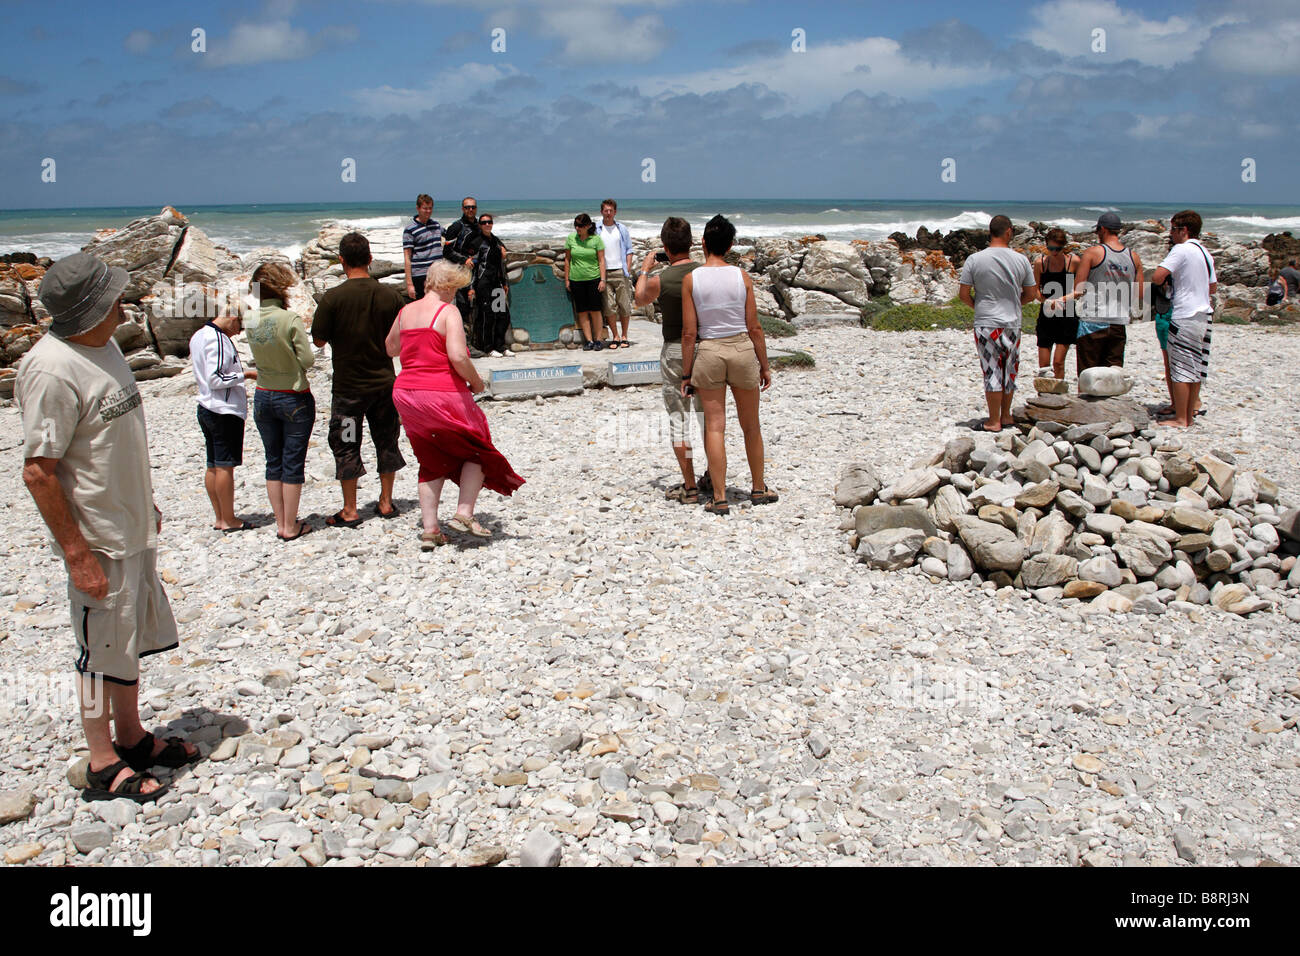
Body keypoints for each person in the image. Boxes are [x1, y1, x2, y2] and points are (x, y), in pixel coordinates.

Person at [17, 252, 198, 803]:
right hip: (97, 536)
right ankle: (102, 761)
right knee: (99, 651)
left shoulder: (108, 345)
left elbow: (114, 442)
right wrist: (76, 554)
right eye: (112, 295)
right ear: (90, 307)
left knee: (127, 640)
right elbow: (38, 470)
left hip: (132, 525)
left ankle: (133, 737)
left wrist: (147, 502)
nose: (123, 301)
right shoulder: (51, 369)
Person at [386, 260, 524, 548]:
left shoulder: (405, 312)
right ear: (447, 286)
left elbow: (390, 348)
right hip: (441, 392)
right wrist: (476, 383)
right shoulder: (447, 311)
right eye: (456, 289)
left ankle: (430, 530)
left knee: (430, 457)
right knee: (477, 447)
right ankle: (463, 513)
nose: (456, 295)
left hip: (407, 394)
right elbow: (459, 357)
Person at [680, 214, 774, 515]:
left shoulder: (691, 279)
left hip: (709, 352)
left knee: (716, 428)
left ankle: (719, 497)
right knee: (751, 426)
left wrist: (686, 372)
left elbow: (689, 333)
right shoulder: (741, 277)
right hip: (742, 349)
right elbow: (755, 326)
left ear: (703, 243)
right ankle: (758, 488)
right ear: (731, 245)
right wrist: (765, 364)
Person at [311, 232, 406, 527]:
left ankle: (350, 508)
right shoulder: (390, 296)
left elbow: (318, 341)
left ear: (341, 261)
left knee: (347, 442)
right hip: (383, 385)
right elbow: (402, 338)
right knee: (386, 440)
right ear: (370, 259)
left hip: (349, 390)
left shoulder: (333, 298)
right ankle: (386, 501)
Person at [634, 216, 710, 503]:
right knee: (709, 420)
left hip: (676, 351)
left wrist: (644, 269)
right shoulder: (703, 273)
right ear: (690, 243)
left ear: (665, 246)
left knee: (680, 420)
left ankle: (689, 486)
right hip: (706, 349)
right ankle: (713, 477)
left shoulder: (660, 279)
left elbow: (640, 298)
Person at [246, 262, 316, 541]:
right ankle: (289, 525)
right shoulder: (289, 319)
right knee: (292, 462)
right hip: (292, 393)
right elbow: (308, 360)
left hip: (263, 392)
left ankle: (279, 520)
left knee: (272, 460)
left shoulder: (250, 318)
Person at [958, 215, 1037, 432]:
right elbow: (1031, 293)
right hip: (1012, 321)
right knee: (1009, 368)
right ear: (1009, 232)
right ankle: (1006, 415)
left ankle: (993, 421)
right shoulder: (1020, 260)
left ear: (989, 232)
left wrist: (979, 307)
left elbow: (963, 294)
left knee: (992, 369)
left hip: (986, 322)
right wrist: (1015, 304)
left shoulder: (975, 259)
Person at [189, 305, 257, 532]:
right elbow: (216, 378)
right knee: (225, 466)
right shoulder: (217, 338)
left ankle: (220, 517)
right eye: (239, 324)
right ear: (230, 316)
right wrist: (245, 374)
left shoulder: (199, 335)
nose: (238, 331)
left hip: (207, 407)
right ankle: (229, 519)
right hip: (223, 409)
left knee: (213, 464)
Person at [1051, 212, 1142, 373]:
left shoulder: (1093, 253)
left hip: (1093, 321)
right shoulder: (1133, 257)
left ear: (1103, 230)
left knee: (1088, 375)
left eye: (1097, 231)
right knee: (1111, 377)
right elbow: (1140, 293)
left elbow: (1079, 288)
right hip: (1119, 323)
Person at [1151, 210, 1216, 427]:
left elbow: (1157, 276)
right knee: (1195, 366)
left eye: (1173, 229)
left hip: (1184, 314)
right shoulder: (1204, 251)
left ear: (1183, 230)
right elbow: (1213, 286)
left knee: (1179, 366)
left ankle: (1180, 418)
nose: (1171, 234)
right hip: (1203, 314)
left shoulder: (1181, 249)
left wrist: (1172, 283)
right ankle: (1188, 415)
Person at [1032, 228, 1078, 379]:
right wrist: (1046, 301)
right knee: (1044, 366)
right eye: (1051, 248)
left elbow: (1080, 289)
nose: (1054, 252)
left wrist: (1062, 300)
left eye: (1058, 249)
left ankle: (1058, 395)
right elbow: (1035, 290)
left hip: (1067, 313)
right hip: (1047, 313)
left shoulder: (1073, 261)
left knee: (1058, 363)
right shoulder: (1040, 263)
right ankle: (1043, 396)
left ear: (1063, 246)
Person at [442, 197, 483, 349]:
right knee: (462, 309)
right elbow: (446, 251)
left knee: (475, 309)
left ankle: (474, 343)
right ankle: (463, 346)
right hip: (459, 275)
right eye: (467, 207)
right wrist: (464, 260)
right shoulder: (456, 227)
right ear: (462, 209)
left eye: (473, 207)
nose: (470, 210)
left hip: (476, 273)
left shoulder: (480, 226)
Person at [469, 212, 511, 357]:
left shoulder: (495, 240)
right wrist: (471, 288)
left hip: (496, 283)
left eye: (489, 222)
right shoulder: (476, 242)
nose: (487, 224)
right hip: (483, 283)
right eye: (484, 222)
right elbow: (472, 267)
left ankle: (500, 346)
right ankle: (488, 348)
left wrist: (504, 282)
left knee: (502, 315)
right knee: (487, 316)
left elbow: (502, 260)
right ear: (480, 225)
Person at [565, 213, 606, 350]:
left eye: (581, 226)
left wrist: (603, 279)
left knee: (595, 310)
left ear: (588, 226)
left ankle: (598, 339)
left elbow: (601, 260)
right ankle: (588, 341)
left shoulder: (596, 240)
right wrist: (567, 279)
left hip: (593, 279)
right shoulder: (571, 239)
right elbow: (567, 260)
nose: (578, 228)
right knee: (582, 311)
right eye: (576, 225)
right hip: (576, 279)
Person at [597, 199, 634, 348]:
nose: (608, 213)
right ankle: (615, 336)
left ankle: (624, 335)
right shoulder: (597, 229)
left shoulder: (622, 229)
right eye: (606, 210)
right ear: (601, 212)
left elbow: (629, 250)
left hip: (620, 270)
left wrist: (628, 268)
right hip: (604, 272)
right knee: (609, 306)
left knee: (624, 305)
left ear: (615, 212)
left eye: (611, 210)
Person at [402, 193, 443, 301]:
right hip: (420, 276)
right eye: (425, 208)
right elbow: (407, 257)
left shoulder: (436, 225)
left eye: (430, 208)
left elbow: (450, 236)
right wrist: (409, 284)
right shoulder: (410, 230)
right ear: (418, 208)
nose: (428, 211)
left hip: (437, 275)